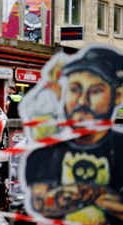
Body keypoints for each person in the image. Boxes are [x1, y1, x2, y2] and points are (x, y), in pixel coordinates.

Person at [22, 45, 123, 224]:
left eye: (95, 91)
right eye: (75, 89)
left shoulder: (120, 147)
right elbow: (40, 202)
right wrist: (96, 193)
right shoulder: (47, 150)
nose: (82, 101)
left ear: (117, 95)